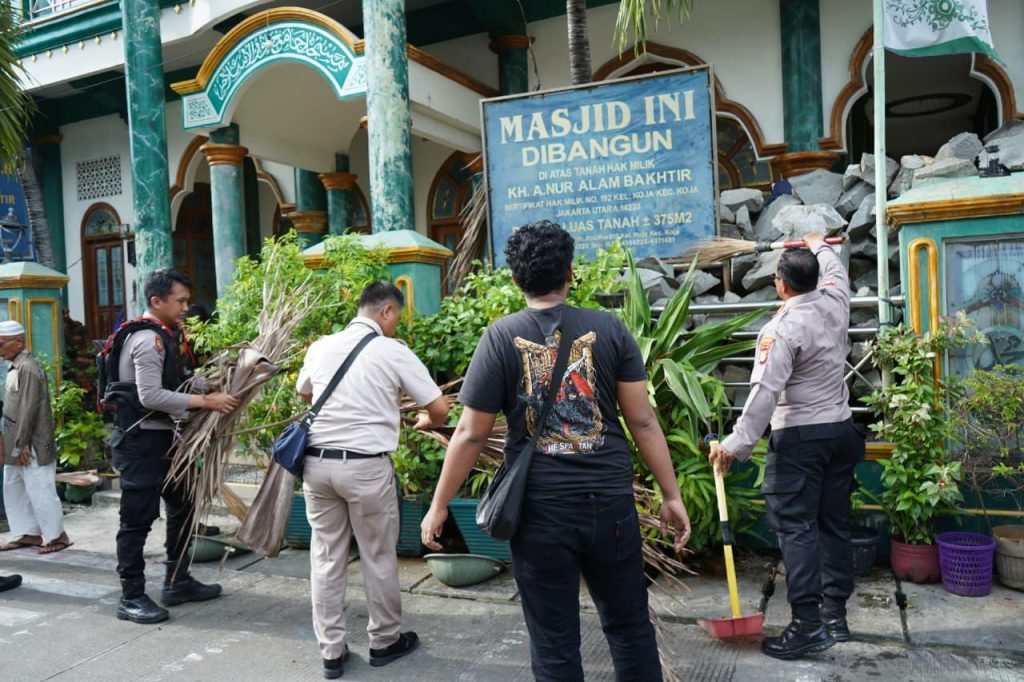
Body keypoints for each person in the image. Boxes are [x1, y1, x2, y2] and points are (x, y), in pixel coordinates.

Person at [421, 221, 691, 681]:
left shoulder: (499, 337)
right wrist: (671, 494)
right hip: (611, 507)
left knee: (554, 641)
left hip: (541, 513)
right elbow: (642, 419)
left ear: (514, 278)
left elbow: (468, 433)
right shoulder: (610, 328)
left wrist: (439, 505)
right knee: (629, 626)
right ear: (570, 271)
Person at [709, 231, 865, 660]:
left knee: (797, 530)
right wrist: (819, 243)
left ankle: (807, 625)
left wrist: (734, 445)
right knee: (833, 525)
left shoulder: (781, 329)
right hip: (841, 432)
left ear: (780, 283)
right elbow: (834, 268)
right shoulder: (836, 299)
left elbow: (763, 395)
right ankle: (836, 617)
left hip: (800, 439)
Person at [296, 281, 448, 680]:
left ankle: (331, 652)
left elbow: (305, 393)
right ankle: (384, 641)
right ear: (385, 312)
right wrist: (425, 421)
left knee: (326, 556)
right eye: (397, 316)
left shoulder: (321, 346)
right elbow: (440, 409)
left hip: (316, 465)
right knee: (377, 554)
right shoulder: (390, 350)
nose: (397, 324)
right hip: (365, 467)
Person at [107, 269, 239, 625]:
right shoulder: (148, 340)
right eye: (180, 301)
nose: (185, 307)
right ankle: (131, 596)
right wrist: (207, 403)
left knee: (183, 505)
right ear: (157, 301)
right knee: (137, 520)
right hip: (141, 443)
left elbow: (174, 382)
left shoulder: (166, 337)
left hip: (165, 440)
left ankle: (177, 580)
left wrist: (206, 383)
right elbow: (150, 395)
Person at [0, 320, 72, 555]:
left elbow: (28, 409)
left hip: (31, 443)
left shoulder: (28, 367)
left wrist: (20, 444)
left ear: (18, 341)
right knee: (14, 487)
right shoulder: (16, 366)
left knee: (40, 488)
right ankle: (28, 533)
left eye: (1, 344)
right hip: (16, 443)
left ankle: (57, 536)